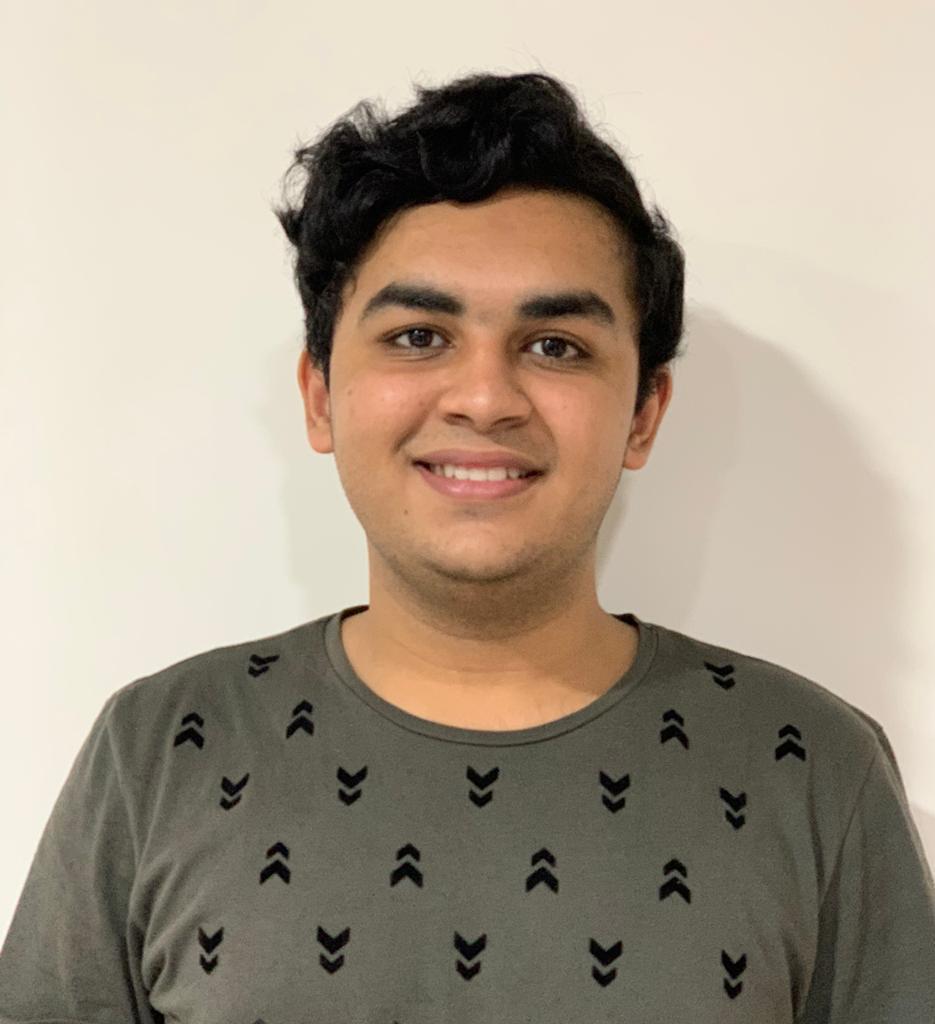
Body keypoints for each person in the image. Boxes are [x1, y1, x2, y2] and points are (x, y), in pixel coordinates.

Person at [1, 70, 933, 1023]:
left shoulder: (812, 766)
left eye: (556, 345)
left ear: (643, 414)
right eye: (417, 336)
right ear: (320, 396)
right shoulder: (160, 750)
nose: (484, 399)